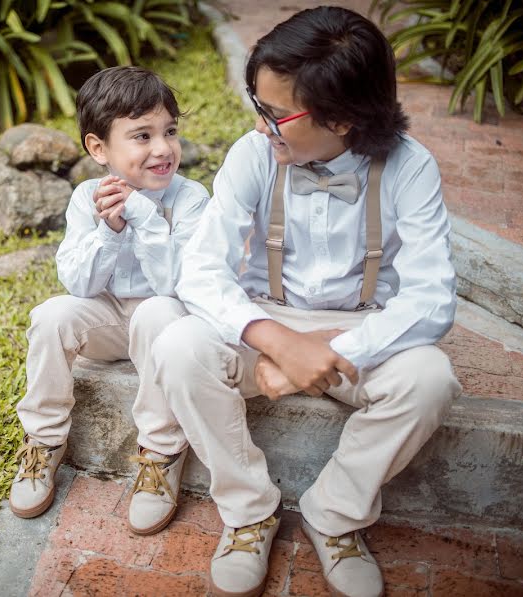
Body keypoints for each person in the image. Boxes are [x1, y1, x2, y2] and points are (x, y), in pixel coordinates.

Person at [151, 7, 462, 597]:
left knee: (430, 378)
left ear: (342, 118)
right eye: (257, 104)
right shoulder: (253, 155)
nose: (261, 124)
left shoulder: (410, 167)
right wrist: (276, 342)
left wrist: (323, 350)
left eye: (274, 113)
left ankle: (335, 514)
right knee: (177, 343)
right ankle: (249, 512)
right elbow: (199, 269)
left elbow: (430, 300)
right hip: (269, 315)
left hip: (362, 331)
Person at [9, 66, 209, 537]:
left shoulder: (192, 199)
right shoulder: (86, 197)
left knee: (160, 311)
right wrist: (112, 229)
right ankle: (44, 442)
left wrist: (143, 215)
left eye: (170, 132)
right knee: (51, 315)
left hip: (166, 325)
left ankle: (160, 453)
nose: (162, 148)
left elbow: (176, 284)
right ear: (99, 149)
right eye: (142, 135)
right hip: (109, 320)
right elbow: (78, 284)